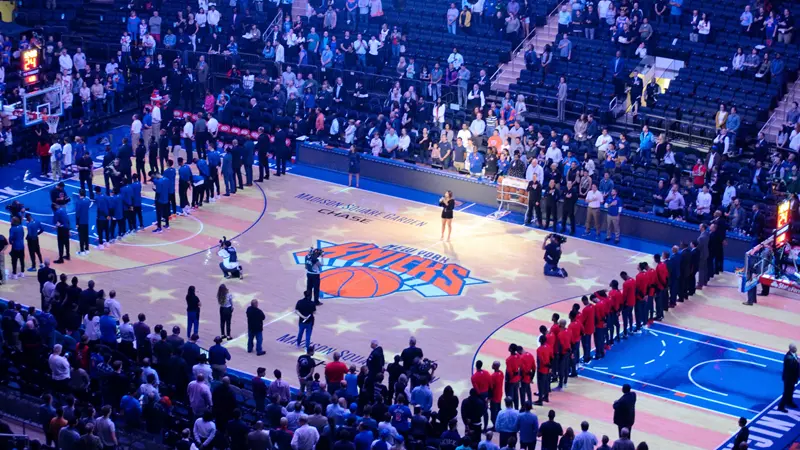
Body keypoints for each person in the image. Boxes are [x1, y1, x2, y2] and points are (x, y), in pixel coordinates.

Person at [778, 343, 798, 412]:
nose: (796, 349)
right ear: (791, 349)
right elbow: (792, 367)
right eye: (795, 348)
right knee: (786, 392)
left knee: (791, 390)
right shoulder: (788, 358)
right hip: (788, 378)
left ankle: (789, 402)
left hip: (793, 377)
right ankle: (781, 406)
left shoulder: (794, 354)